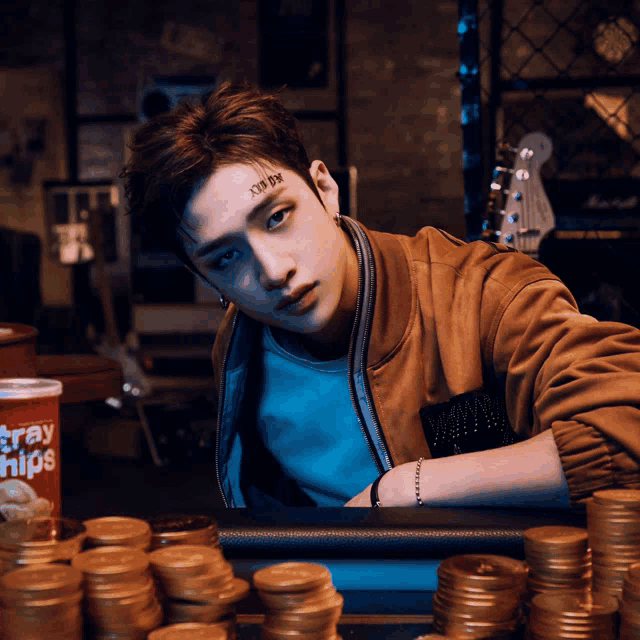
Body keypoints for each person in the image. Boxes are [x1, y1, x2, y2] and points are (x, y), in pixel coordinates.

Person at [121, 81, 640, 509]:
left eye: (278, 217)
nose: (274, 271)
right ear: (204, 276)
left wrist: (404, 488)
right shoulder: (239, 350)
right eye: (225, 258)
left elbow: (625, 429)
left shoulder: (481, 293)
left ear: (324, 190)